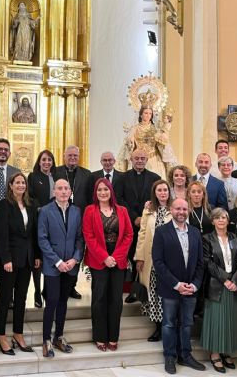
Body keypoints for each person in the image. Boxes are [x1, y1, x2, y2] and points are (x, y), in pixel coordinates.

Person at [152, 198, 206, 374]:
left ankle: (186, 355)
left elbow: (200, 263)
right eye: (177, 209)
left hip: (191, 289)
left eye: (184, 209)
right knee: (168, 324)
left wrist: (195, 285)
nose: (181, 212)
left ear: (188, 210)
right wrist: (176, 284)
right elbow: (158, 262)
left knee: (187, 324)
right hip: (170, 288)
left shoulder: (195, 232)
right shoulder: (161, 232)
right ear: (171, 210)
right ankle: (169, 357)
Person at [82, 178, 133, 351]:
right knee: (99, 299)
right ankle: (100, 336)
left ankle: (113, 336)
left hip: (118, 262)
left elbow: (128, 235)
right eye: (99, 190)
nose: (103, 192)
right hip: (99, 262)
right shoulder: (90, 211)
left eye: (106, 189)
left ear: (111, 191)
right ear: (95, 193)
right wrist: (104, 257)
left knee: (116, 300)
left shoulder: (122, 210)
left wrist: (116, 257)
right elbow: (89, 237)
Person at [38, 179, 84, 358]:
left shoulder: (76, 211)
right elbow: (42, 239)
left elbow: (80, 238)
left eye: (66, 188)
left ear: (70, 191)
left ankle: (59, 336)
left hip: (71, 265)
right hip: (53, 265)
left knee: (64, 301)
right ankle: (46, 340)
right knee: (52, 301)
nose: (64, 191)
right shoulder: (45, 211)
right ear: (54, 191)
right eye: (60, 188)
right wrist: (58, 262)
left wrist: (75, 259)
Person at [0, 172, 40, 355]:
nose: (21, 185)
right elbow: (1, 234)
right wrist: (5, 259)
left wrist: (36, 255)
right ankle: (1, 336)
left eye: (23, 183)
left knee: (21, 298)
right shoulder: (4, 205)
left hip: (27, 259)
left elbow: (33, 234)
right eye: (17, 183)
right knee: (5, 298)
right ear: (11, 185)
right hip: (10, 260)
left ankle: (18, 334)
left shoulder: (30, 204)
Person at [201, 208, 237, 373]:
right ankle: (215, 354)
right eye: (217, 218)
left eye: (224, 217)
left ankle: (227, 351)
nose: (221, 220)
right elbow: (208, 263)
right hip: (217, 286)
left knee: (230, 320)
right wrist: (226, 280)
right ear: (212, 221)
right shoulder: (206, 239)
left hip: (234, 286)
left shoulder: (236, 238)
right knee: (217, 321)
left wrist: (235, 280)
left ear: (228, 221)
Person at [115, 149, 161, 302]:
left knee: (146, 257)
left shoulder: (155, 178)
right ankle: (134, 291)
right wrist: (134, 217)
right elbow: (119, 199)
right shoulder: (122, 178)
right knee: (132, 256)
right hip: (128, 224)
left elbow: (157, 199)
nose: (139, 160)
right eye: (137, 158)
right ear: (131, 159)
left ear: (147, 159)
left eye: (142, 158)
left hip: (149, 224)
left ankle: (146, 290)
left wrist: (144, 217)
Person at [134, 179, 173, 342]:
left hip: (170, 260)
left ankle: (168, 327)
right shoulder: (148, 210)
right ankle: (157, 328)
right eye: (159, 190)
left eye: (165, 190)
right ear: (154, 193)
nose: (162, 193)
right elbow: (142, 234)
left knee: (168, 293)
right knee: (154, 293)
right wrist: (139, 257)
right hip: (151, 259)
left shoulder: (175, 208)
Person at [54, 145, 91, 299]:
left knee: (77, 250)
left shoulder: (86, 174)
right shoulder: (56, 171)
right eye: (70, 156)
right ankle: (54, 285)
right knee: (60, 250)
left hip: (79, 217)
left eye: (75, 156)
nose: (73, 158)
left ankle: (71, 286)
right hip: (60, 215)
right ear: (64, 156)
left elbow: (89, 197)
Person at [28, 149, 56, 307]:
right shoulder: (33, 177)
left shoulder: (57, 176)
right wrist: (42, 209)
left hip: (54, 221)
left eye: (49, 160)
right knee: (37, 257)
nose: (47, 162)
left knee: (50, 256)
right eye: (44, 160)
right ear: (39, 162)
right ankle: (37, 292)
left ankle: (46, 290)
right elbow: (30, 197)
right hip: (38, 220)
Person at [119, 105, 174, 178]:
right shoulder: (135, 128)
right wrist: (130, 143)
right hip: (138, 159)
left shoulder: (156, 128)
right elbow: (130, 142)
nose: (148, 115)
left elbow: (164, 141)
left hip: (154, 158)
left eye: (150, 113)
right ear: (141, 115)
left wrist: (166, 128)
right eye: (146, 113)